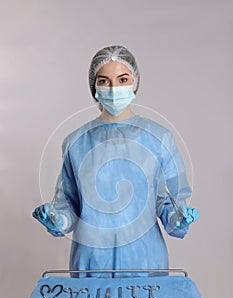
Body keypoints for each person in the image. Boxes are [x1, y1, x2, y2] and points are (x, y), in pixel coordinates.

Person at [32, 45, 199, 277]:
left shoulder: (158, 138)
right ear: (94, 86)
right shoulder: (76, 142)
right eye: (104, 81)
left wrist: (178, 218)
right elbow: (68, 203)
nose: (114, 88)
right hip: (91, 261)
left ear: (136, 81)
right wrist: (56, 219)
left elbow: (168, 201)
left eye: (122, 79)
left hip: (145, 261)